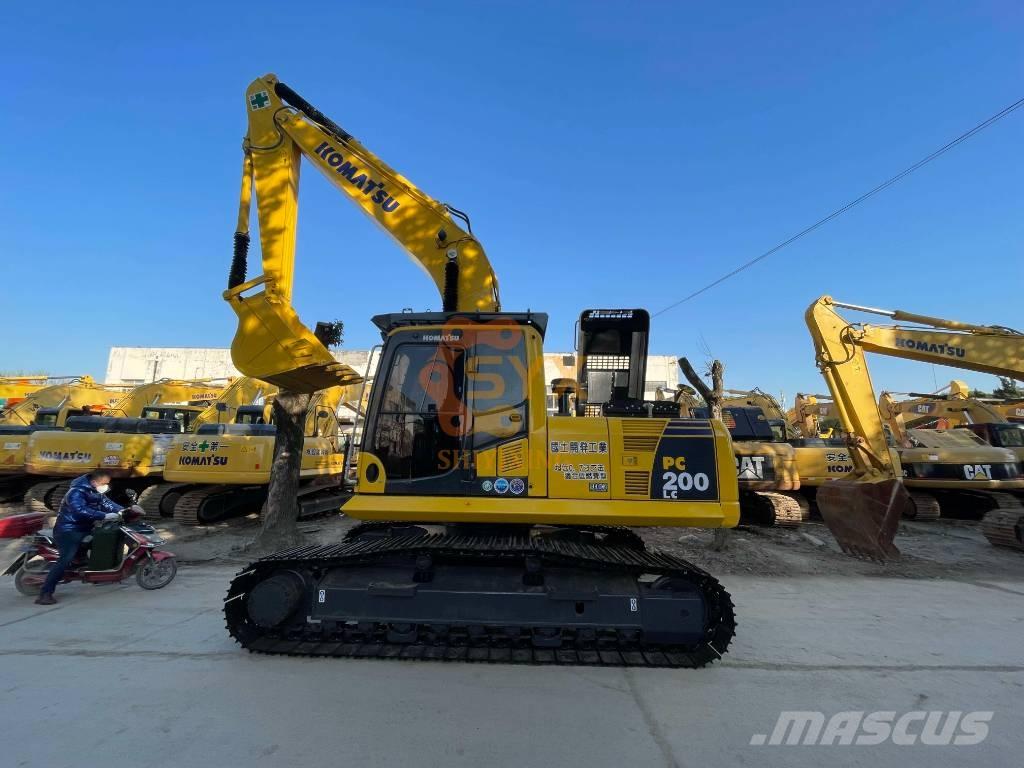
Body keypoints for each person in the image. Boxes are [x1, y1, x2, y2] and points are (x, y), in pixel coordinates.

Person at [35, 471, 126, 605]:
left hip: (85, 528)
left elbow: (107, 503)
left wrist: (123, 511)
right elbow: (79, 510)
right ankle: (45, 593)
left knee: (103, 543)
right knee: (65, 560)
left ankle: (96, 574)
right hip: (69, 530)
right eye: (104, 484)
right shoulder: (76, 492)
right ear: (95, 482)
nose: (106, 486)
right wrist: (103, 516)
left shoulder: (95, 491)